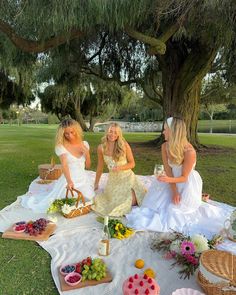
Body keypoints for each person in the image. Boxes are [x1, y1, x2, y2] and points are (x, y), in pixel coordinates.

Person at [126, 117, 231, 238]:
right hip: (172, 180)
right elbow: (169, 170)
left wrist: (170, 182)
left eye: (166, 129)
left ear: (174, 132)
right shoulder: (165, 147)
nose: (163, 132)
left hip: (186, 183)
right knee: (153, 206)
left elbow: (184, 177)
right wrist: (174, 190)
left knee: (176, 212)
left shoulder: (189, 151)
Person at [21, 119, 95, 213]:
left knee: (89, 199)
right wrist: (69, 182)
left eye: (72, 132)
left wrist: (87, 154)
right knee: (67, 201)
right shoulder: (61, 147)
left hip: (83, 178)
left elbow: (88, 166)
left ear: (77, 130)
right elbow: (64, 165)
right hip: (69, 179)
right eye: (66, 134)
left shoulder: (84, 144)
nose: (70, 136)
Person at [92, 123, 146, 217]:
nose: (112, 135)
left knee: (128, 202)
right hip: (113, 180)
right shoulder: (101, 148)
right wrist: (96, 183)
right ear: (107, 132)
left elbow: (132, 163)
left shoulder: (124, 145)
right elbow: (100, 167)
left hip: (127, 177)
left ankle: (134, 193)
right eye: (110, 132)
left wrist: (119, 168)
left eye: (115, 133)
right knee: (112, 203)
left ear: (118, 135)